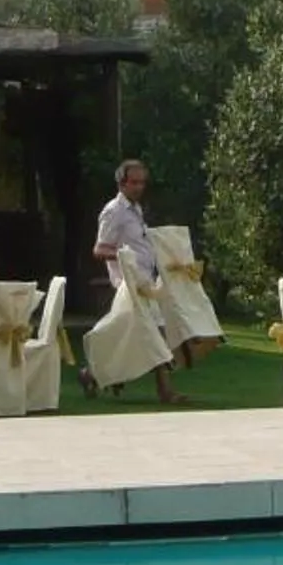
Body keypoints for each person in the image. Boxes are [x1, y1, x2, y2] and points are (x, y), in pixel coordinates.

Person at [87, 158, 186, 405]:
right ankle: (165, 392)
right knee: (155, 335)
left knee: (131, 338)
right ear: (121, 183)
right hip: (128, 286)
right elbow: (99, 249)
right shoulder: (114, 211)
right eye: (134, 182)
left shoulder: (136, 209)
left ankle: (89, 375)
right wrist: (124, 257)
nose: (139, 187)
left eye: (142, 183)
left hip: (145, 284)